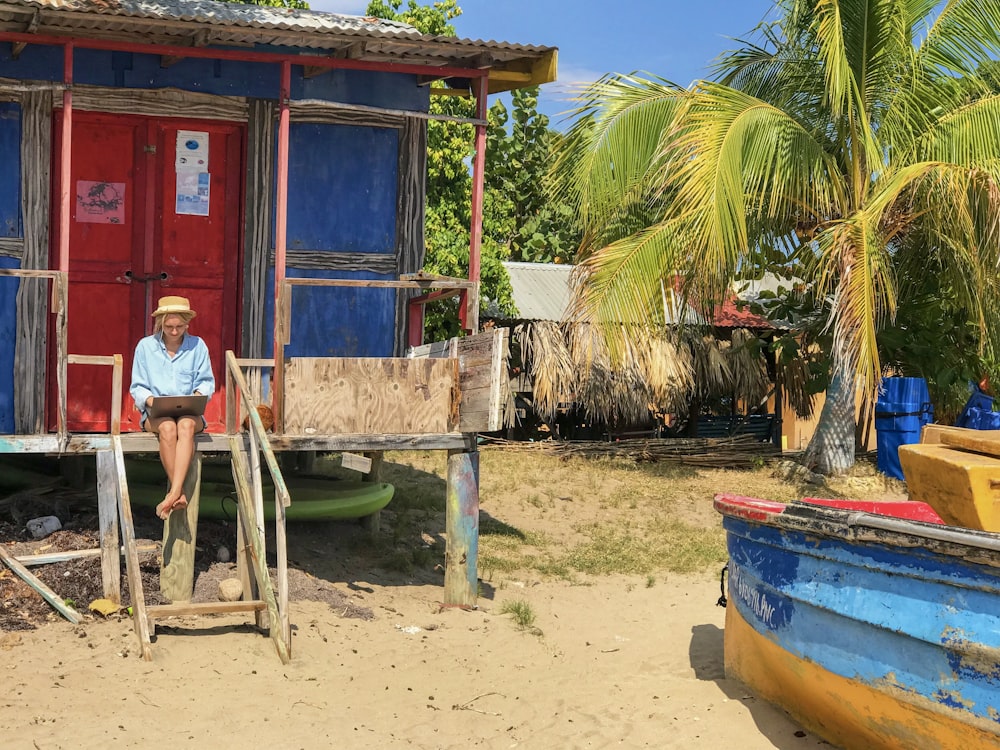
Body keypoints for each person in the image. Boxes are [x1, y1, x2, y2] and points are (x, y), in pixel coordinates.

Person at [130, 296, 215, 520]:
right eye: (169, 327)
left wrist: (196, 397)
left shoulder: (198, 346)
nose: (174, 331)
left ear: (187, 324)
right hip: (156, 413)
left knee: (185, 425)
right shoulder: (145, 347)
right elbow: (137, 387)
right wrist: (151, 402)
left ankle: (175, 493)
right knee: (168, 427)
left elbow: (206, 383)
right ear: (160, 324)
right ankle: (179, 493)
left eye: (179, 327)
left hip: (190, 413)